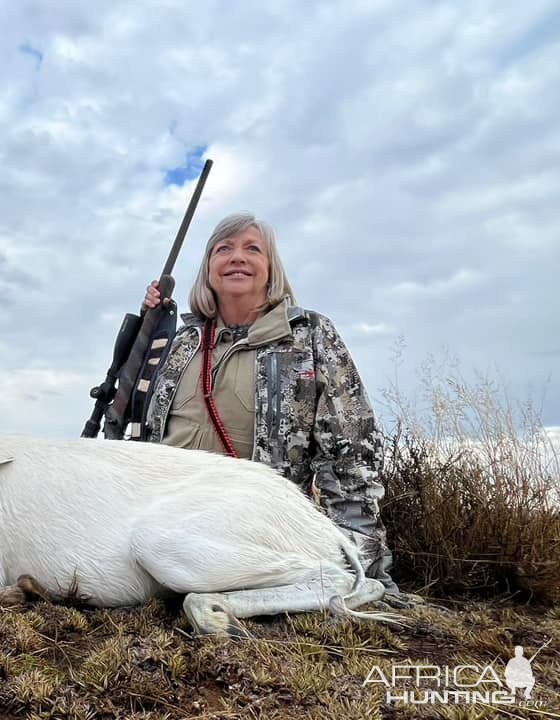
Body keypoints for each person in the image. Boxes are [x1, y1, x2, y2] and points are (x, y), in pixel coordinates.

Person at [140, 212, 399, 594]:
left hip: (253, 535)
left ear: (270, 267)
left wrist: (365, 568)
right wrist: (148, 328)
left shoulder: (308, 335)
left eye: (252, 249)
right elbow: (141, 438)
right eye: (223, 249)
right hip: (163, 531)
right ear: (209, 268)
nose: (237, 257)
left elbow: (350, 461)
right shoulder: (180, 344)